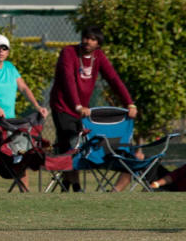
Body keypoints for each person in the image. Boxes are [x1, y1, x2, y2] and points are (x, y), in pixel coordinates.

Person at [49, 26, 137, 192]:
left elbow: (113, 78)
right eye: (85, 37)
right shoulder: (68, 52)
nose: (87, 41)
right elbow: (68, 80)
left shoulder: (99, 56)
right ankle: (75, 186)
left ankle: (66, 184)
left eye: (92, 39)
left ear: (98, 43)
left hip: (82, 110)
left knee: (79, 145)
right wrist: (77, 105)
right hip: (63, 106)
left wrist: (129, 103)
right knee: (70, 143)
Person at [0, 34, 48, 193]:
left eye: (4, 48)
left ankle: (25, 193)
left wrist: (37, 106)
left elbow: (23, 87)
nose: (1, 51)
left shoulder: (10, 68)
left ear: (8, 51)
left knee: (19, 155)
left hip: (9, 122)